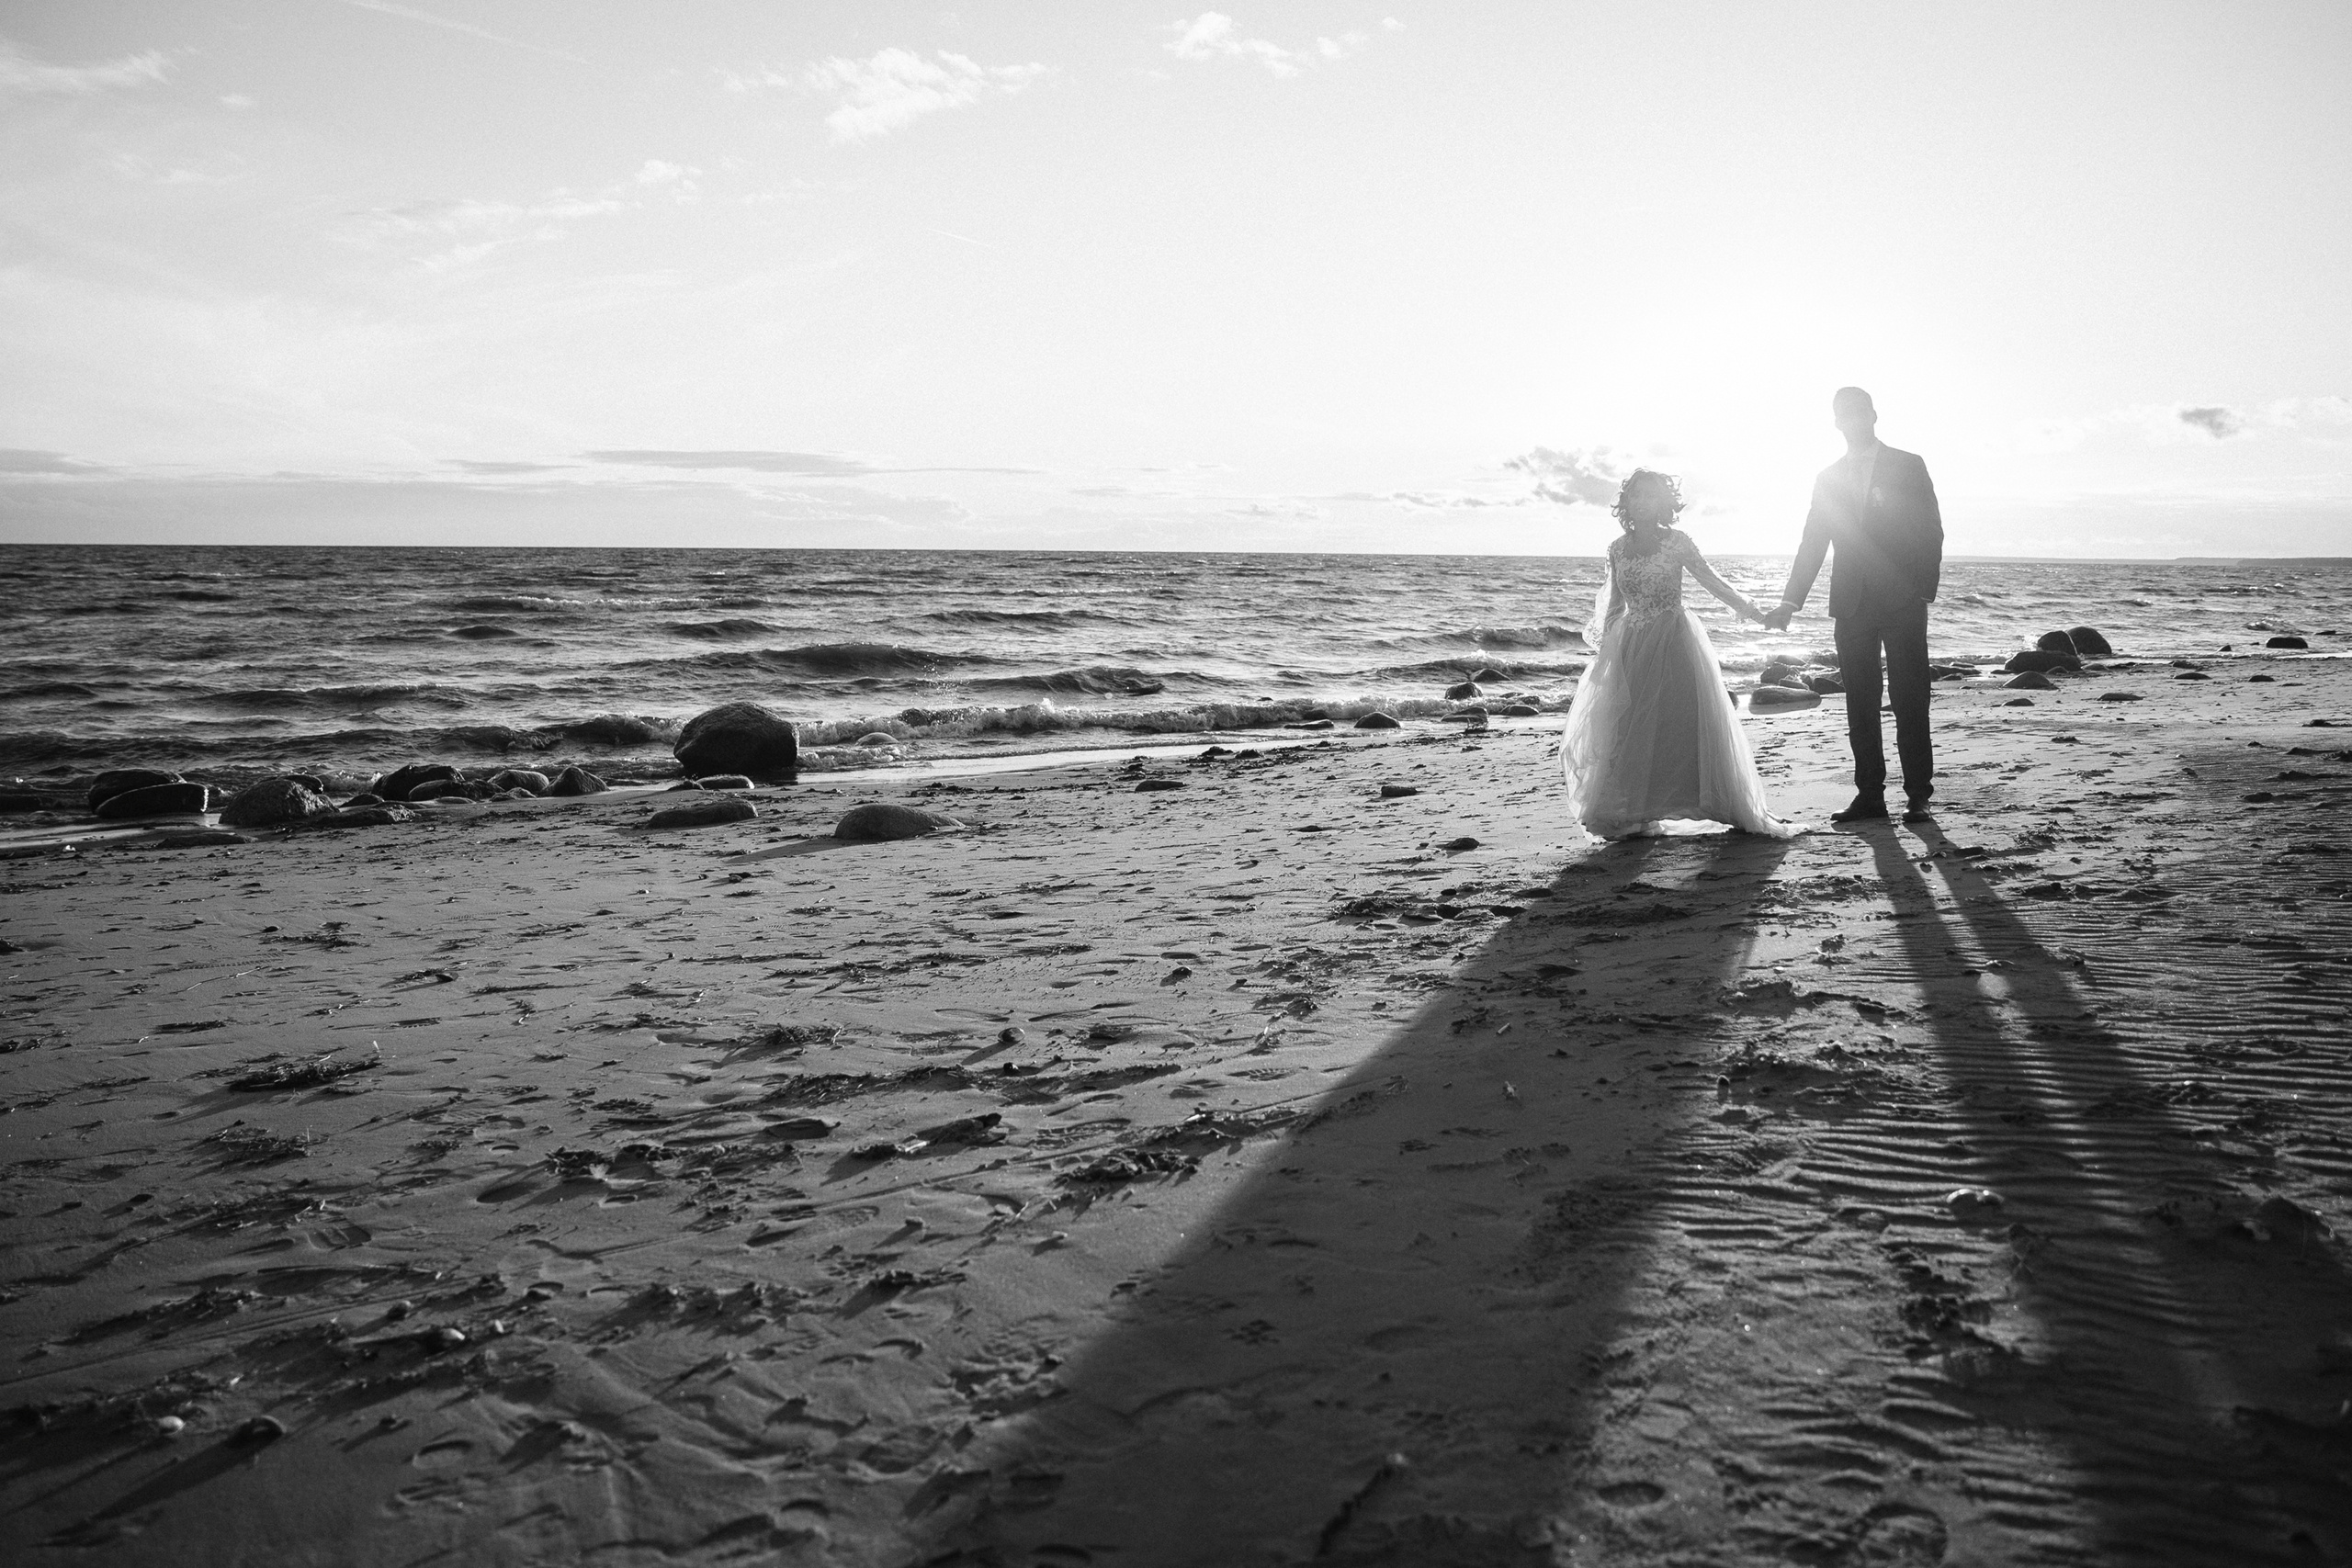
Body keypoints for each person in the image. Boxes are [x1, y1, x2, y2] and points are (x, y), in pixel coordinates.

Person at [1561, 468, 1799, 840]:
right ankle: (1636, 812)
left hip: (1674, 643)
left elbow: (1713, 582)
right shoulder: (1617, 548)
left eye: (1652, 496)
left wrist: (1757, 614)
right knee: (1630, 731)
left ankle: (1718, 805)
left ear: (1664, 504)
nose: (1643, 503)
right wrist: (1609, 654)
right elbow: (1613, 606)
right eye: (1637, 496)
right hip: (1631, 646)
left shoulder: (1678, 543)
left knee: (1683, 726)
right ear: (1627, 502)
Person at [1763, 387, 1944, 823]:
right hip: (1850, 603)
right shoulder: (1827, 477)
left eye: (1858, 411)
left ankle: (1918, 794)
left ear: (1874, 415)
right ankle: (1870, 796)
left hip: (1902, 600)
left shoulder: (1908, 464)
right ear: (1836, 422)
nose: (1852, 419)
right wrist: (1791, 600)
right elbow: (1813, 541)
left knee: (1909, 699)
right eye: (1843, 414)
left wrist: (1923, 589)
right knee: (1859, 701)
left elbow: (1931, 529)